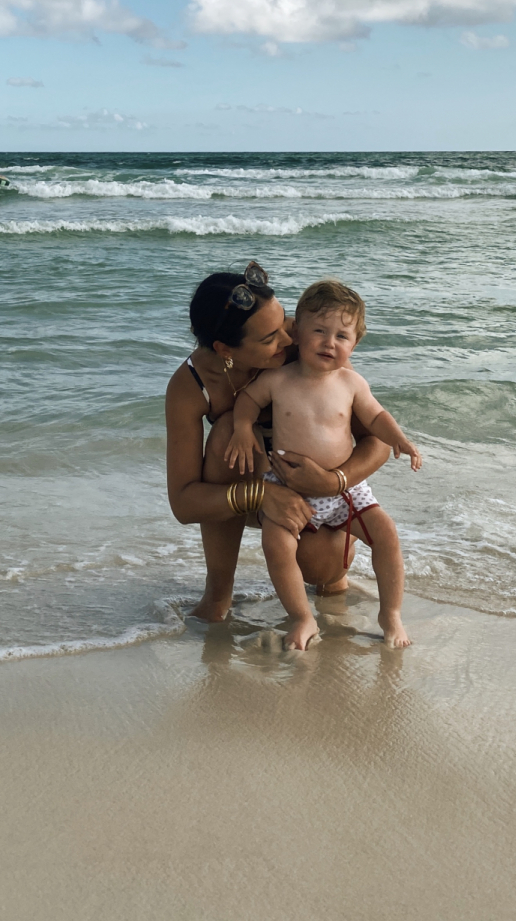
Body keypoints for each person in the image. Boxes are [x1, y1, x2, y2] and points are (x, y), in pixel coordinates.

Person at [165, 264, 390, 623]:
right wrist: (262, 495)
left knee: (320, 568)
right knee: (227, 432)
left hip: (321, 484)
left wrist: (333, 482)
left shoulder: (307, 341)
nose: (289, 340)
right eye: (270, 338)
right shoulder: (191, 387)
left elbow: (377, 442)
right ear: (225, 349)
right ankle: (218, 593)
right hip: (258, 481)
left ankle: (335, 579)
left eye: (285, 322)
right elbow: (184, 503)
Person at [227, 278, 421, 651]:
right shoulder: (277, 379)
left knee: (387, 533)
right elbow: (247, 401)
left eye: (342, 336)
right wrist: (241, 428)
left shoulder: (351, 382)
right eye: (319, 331)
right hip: (286, 487)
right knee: (275, 544)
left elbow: (376, 417)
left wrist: (400, 438)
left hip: (346, 488)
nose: (330, 343)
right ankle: (302, 618)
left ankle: (391, 613)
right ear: (297, 333)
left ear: (355, 344)